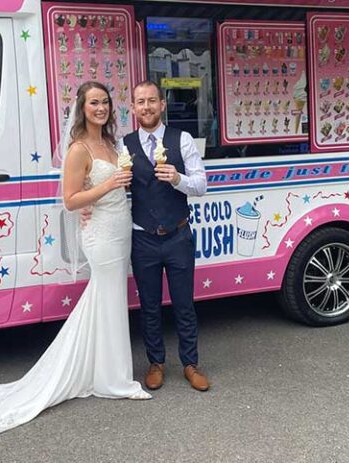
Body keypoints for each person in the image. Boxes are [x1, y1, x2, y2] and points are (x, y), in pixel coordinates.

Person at [0, 81, 151, 444]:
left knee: (108, 299)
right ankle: (115, 380)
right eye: (94, 102)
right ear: (82, 108)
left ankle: (105, 372)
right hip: (100, 234)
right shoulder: (79, 149)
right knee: (108, 296)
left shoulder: (111, 144)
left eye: (106, 102)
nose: (101, 108)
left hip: (119, 226)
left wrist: (114, 188)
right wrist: (110, 184)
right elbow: (70, 200)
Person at [124, 81, 209, 392]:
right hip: (142, 237)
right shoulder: (125, 145)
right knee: (149, 305)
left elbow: (201, 185)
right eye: (140, 102)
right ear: (132, 108)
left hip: (177, 235)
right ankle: (156, 362)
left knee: (184, 303)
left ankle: (190, 363)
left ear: (162, 104)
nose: (146, 107)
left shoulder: (181, 139)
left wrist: (177, 179)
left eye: (151, 101)